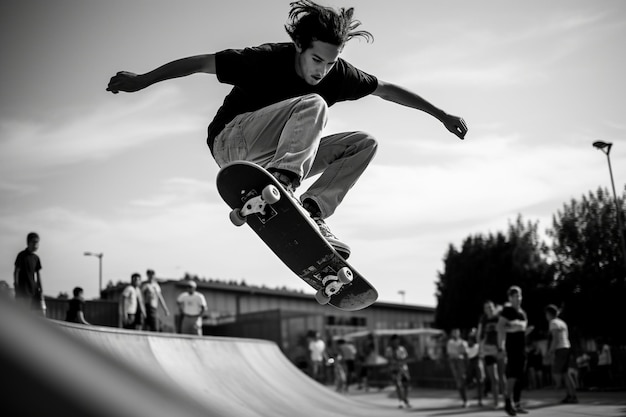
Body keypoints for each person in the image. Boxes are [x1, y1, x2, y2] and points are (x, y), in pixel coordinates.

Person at [106, 1, 468, 258]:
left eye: (331, 63)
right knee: (314, 103)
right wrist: (142, 81)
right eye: (316, 60)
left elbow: (386, 90)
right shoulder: (264, 59)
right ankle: (287, 185)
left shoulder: (338, 74)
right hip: (232, 141)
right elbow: (200, 63)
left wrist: (440, 115)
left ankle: (311, 211)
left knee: (363, 143)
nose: (322, 70)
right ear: (299, 46)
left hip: (277, 155)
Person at [498, 286, 530, 416]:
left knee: (519, 378)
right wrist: (501, 347)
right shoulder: (507, 311)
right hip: (511, 349)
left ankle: (517, 404)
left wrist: (519, 328)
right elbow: (500, 328)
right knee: (512, 376)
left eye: (520, 295)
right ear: (510, 298)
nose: (518, 298)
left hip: (522, 348)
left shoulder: (523, 313)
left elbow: (522, 330)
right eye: (515, 296)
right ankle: (507, 404)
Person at [545, 305, 577, 403]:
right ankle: (571, 396)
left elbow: (555, 338)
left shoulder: (553, 322)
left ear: (549, 314)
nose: (545, 316)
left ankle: (558, 386)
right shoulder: (561, 322)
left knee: (556, 371)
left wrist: (550, 351)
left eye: (546, 314)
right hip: (567, 347)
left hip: (561, 349)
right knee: (566, 374)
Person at [477, 300, 505, 409]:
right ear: (484, 310)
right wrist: (480, 346)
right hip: (488, 350)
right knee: (494, 378)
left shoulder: (499, 318)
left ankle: (507, 401)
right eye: (487, 307)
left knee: (502, 377)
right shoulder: (483, 320)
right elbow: (479, 336)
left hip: (499, 349)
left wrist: (502, 347)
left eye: (491, 307)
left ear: (494, 307)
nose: (489, 309)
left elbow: (504, 332)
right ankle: (496, 402)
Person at [13, 232, 46, 315]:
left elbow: (38, 274)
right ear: (28, 243)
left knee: (32, 313)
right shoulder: (21, 255)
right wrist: (16, 286)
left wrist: (40, 288)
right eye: (34, 242)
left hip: (32, 289)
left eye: (37, 242)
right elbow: (16, 272)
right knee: (21, 313)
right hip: (22, 288)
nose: (36, 244)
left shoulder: (36, 258)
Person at [385, 334, 411, 409]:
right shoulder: (389, 350)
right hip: (394, 370)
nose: (396, 342)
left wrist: (401, 362)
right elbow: (389, 360)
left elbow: (405, 358)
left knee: (406, 384)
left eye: (397, 340)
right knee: (398, 385)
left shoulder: (402, 349)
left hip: (403, 369)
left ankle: (405, 398)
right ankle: (401, 401)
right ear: (392, 341)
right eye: (395, 340)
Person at [446, 328, 468, 408]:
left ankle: (465, 399)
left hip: (461, 362)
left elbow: (464, 352)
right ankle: (464, 399)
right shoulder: (450, 342)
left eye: (456, 332)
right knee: (459, 381)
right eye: (454, 332)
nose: (455, 333)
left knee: (463, 379)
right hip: (454, 362)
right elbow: (450, 353)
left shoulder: (463, 342)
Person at [466, 328, 484, 407]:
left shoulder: (478, 345)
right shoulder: (467, 345)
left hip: (477, 363)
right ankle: (467, 400)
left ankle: (480, 400)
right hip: (470, 364)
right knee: (469, 382)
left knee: (480, 382)